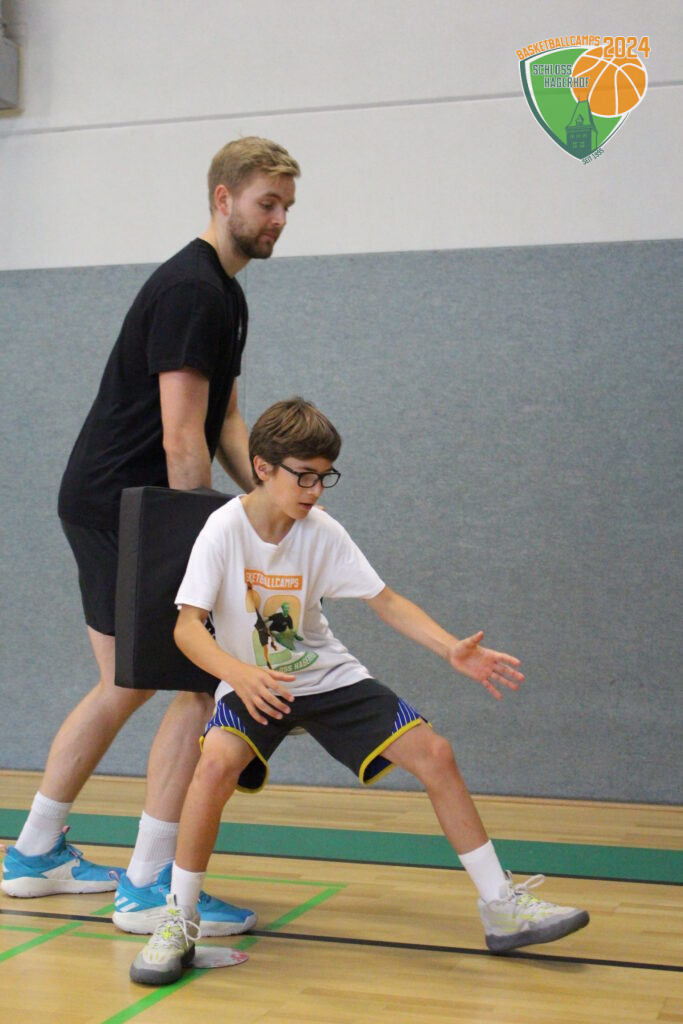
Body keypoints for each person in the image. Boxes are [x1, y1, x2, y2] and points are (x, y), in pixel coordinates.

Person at [129, 397, 589, 986]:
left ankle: (501, 908)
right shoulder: (223, 528)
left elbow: (385, 601)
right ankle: (179, 919)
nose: (316, 490)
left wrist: (450, 648)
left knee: (436, 754)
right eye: (304, 475)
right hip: (253, 681)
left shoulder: (322, 532)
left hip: (325, 676)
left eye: (325, 477)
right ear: (263, 467)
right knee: (214, 764)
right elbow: (187, 627)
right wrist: (238, 675)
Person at [1, 138, 300, 939]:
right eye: (266, 203)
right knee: (198, 682)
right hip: (124, 507)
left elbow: (224, 418)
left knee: (125, 684)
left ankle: (34, 854)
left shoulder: (224, 295)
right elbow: (179, 436)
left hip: (111, 502)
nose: (278, 219)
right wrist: (209, 543)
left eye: (286, 207)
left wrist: (269, 500)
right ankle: (149, 887)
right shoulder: (192, 291)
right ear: (222, 199)